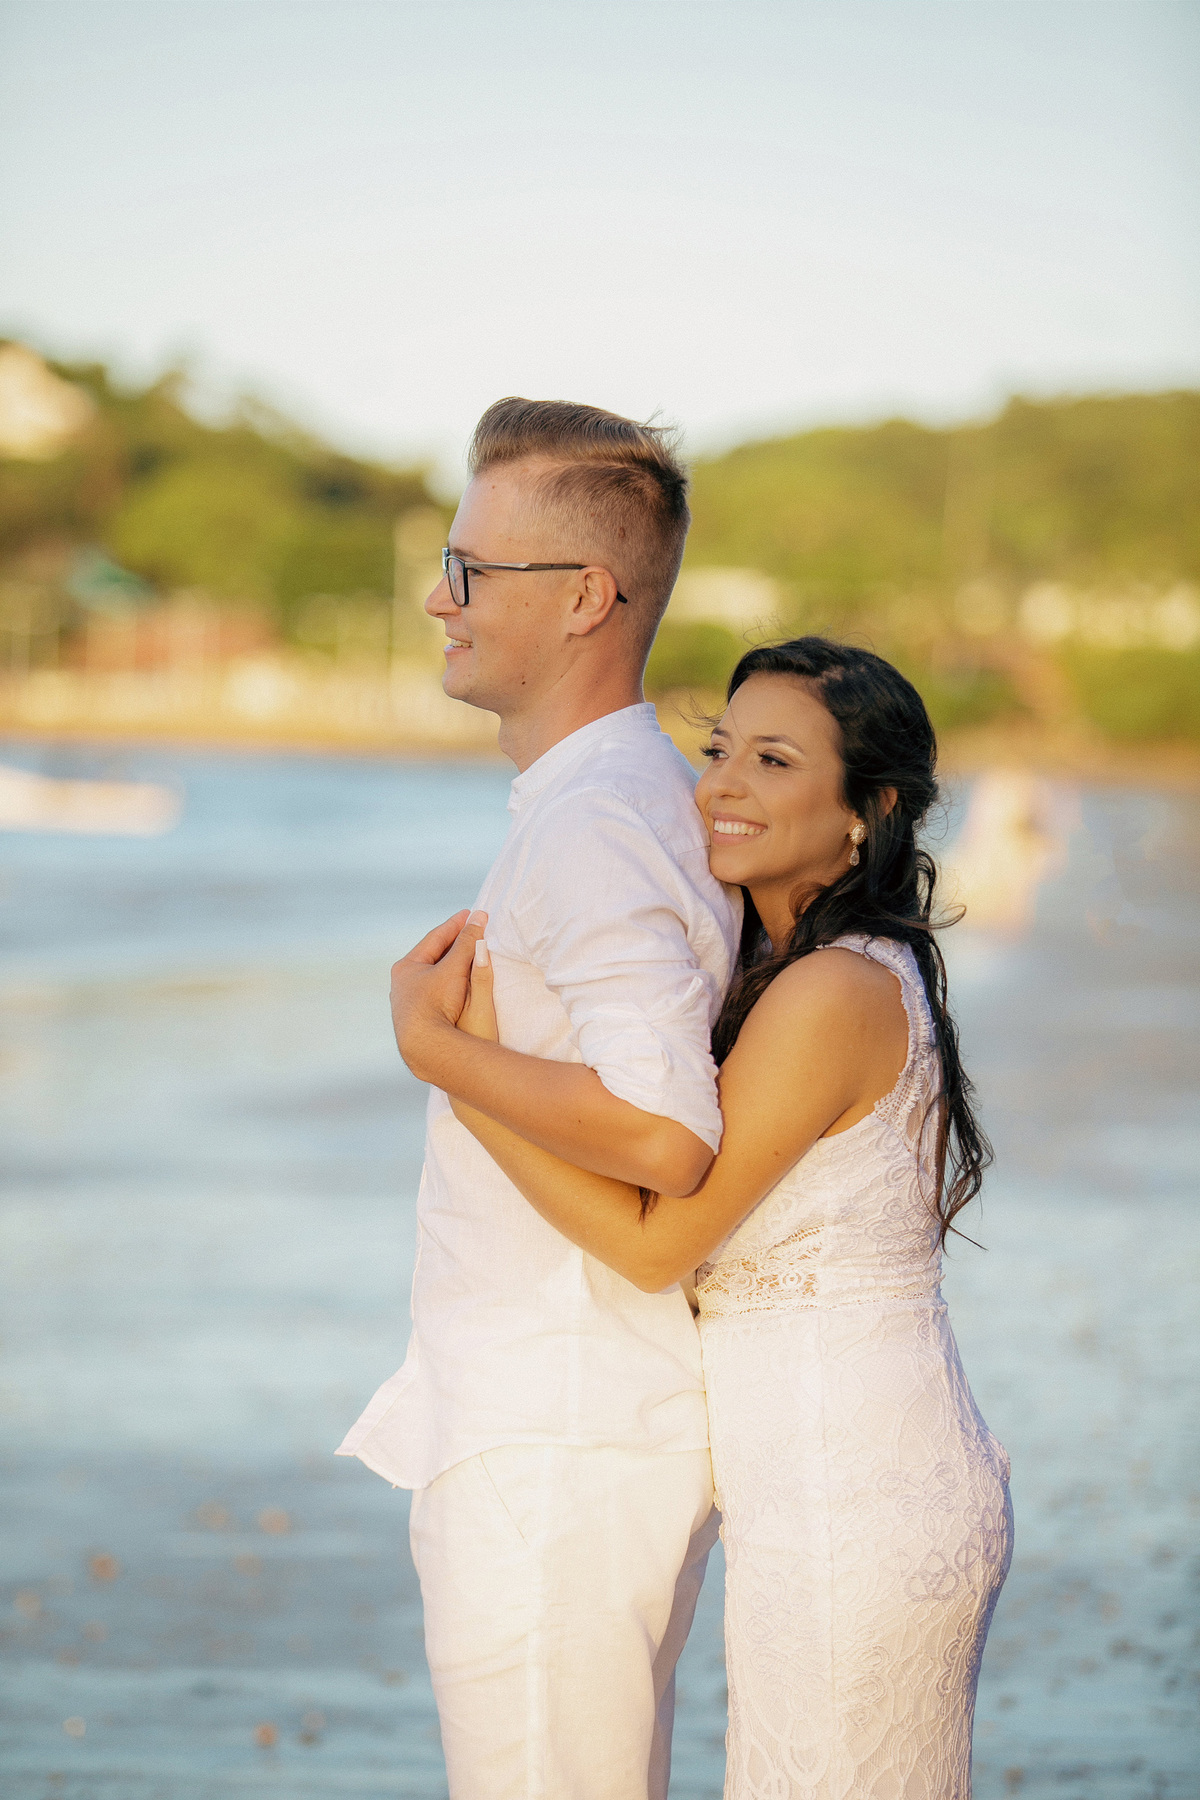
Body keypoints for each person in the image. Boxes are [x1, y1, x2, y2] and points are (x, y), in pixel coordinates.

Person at [399, 638, 1014, 1797]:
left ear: (868, 810)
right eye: (720, 750)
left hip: (856, 1494)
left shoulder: (831, 992)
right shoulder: (798, 972)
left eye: (774, 761)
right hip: (828, 1482)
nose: (722, 786)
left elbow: (654, 1243)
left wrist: (448, 1061)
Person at [338, 398, 741, 1799]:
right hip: (569, 1418)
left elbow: (666, 1133)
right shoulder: (610, 800)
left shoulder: (597, 821)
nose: (436, 598)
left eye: (467, 568)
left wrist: (436, 1049)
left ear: (584, 597)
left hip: (561, 1430)